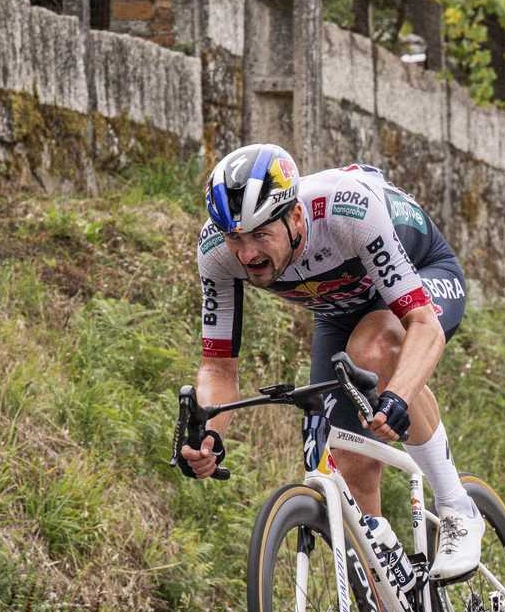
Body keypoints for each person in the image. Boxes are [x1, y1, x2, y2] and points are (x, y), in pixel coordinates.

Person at [179, 145, 485, 581]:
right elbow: (218, 370)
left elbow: (423, 325)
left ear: (297, 218)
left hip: (422, 276)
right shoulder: (215, 252)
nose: (247, 255)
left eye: (260, 236)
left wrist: (397, 394)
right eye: (236, 239)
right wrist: (208, 434)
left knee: (376, 348)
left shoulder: (345, 209)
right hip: (339, 310)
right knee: (348, 465)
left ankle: (457, 508)